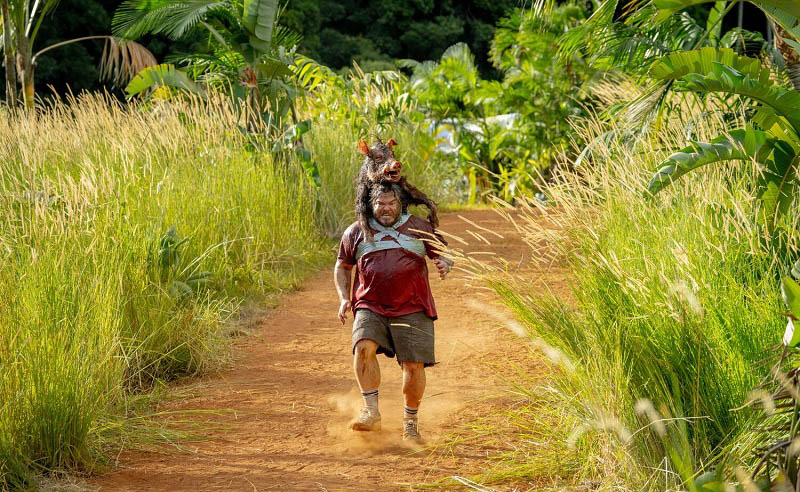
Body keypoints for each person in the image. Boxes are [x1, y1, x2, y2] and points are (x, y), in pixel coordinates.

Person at [334, 182, 452, 442]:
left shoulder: (419, 227)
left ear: (401, 204)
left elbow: (444, 252)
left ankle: (410, 423)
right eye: (380, 204)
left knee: (413, 366)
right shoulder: (356, 231)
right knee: (363, 347)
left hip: (413, 306)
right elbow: (342, 266)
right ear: (371, 205)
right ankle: (371, 411)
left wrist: (444, 262)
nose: (386, 209)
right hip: (370, 304)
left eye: (391, 203)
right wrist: (344, 299)